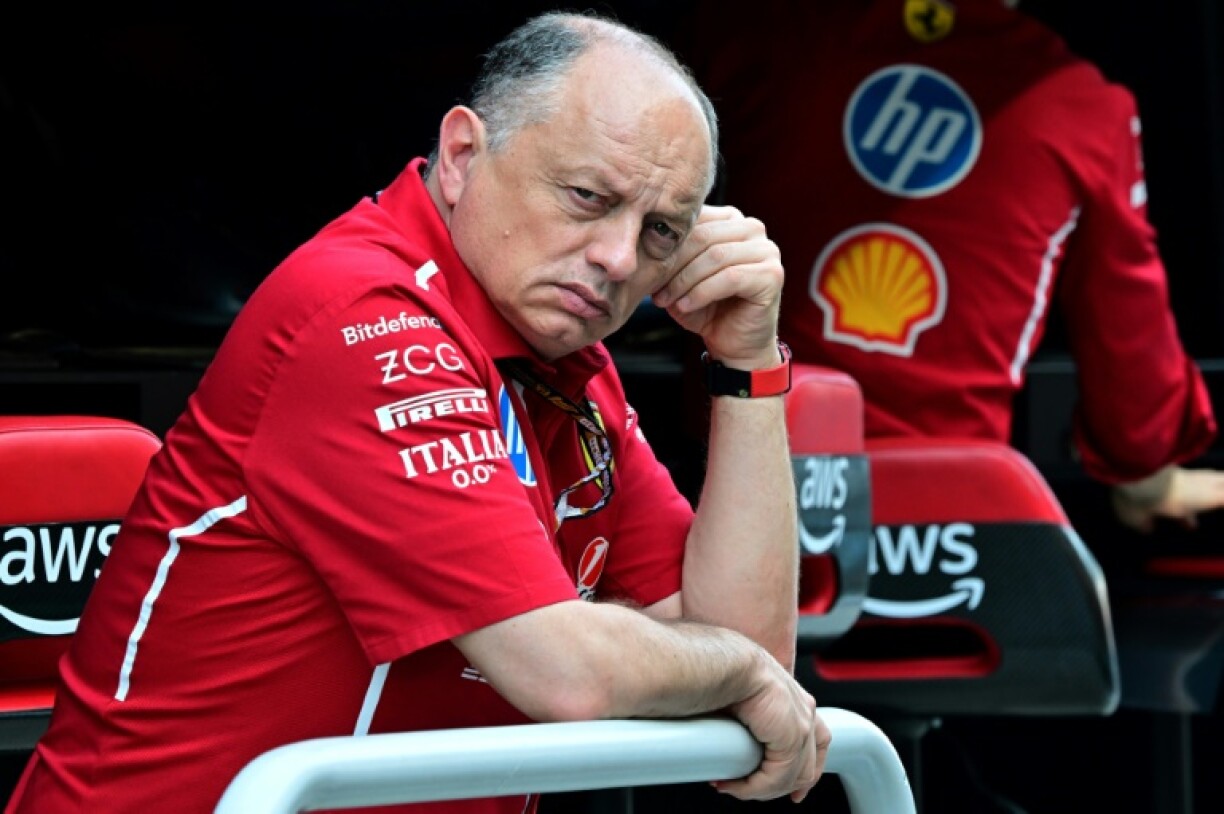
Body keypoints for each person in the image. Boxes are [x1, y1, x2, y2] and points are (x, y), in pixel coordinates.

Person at [4, 12, 830, 814]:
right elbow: (568, 672)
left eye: (659, 232)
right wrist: (723, 664)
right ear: (464, 154)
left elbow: (756, 654)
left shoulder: (569, 362)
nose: (618, 258)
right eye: (585, 196)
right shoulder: (362, 313)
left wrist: (746, 365)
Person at [682, 0, 1224, 533]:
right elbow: (1127, 341)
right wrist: (1148, 478)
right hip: (959, 524)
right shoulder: (1082, 104)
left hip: (735, 489)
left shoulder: (757, 33)